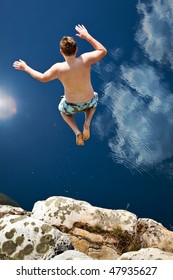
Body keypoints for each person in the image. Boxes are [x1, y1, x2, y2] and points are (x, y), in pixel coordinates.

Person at [13, 24, 107, 146]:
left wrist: (26, 67)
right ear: (77, 49)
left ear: (61, 52)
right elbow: (103, 51)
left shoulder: (58, 68)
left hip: (71, 105)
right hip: (89, 100)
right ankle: (87, 122)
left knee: (62, 111)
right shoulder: (85, 59)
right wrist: (87, 36)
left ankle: (77, 131)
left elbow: (42, 78)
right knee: (94, 102)